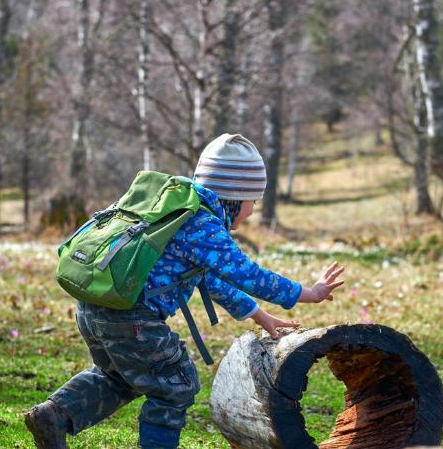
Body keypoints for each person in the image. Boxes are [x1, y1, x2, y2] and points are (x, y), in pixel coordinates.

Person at [24, 133, 345, 449]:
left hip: (95, 307)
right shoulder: (202, 224)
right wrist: (309, 293)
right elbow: (248, 275)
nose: (253, 210)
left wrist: (261, 316)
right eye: (252, 201)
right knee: (176, 384)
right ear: (235, 195)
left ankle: (54, 416)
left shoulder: (179, 211)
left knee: (120, 378)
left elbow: (210, 279)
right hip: (131, 318)